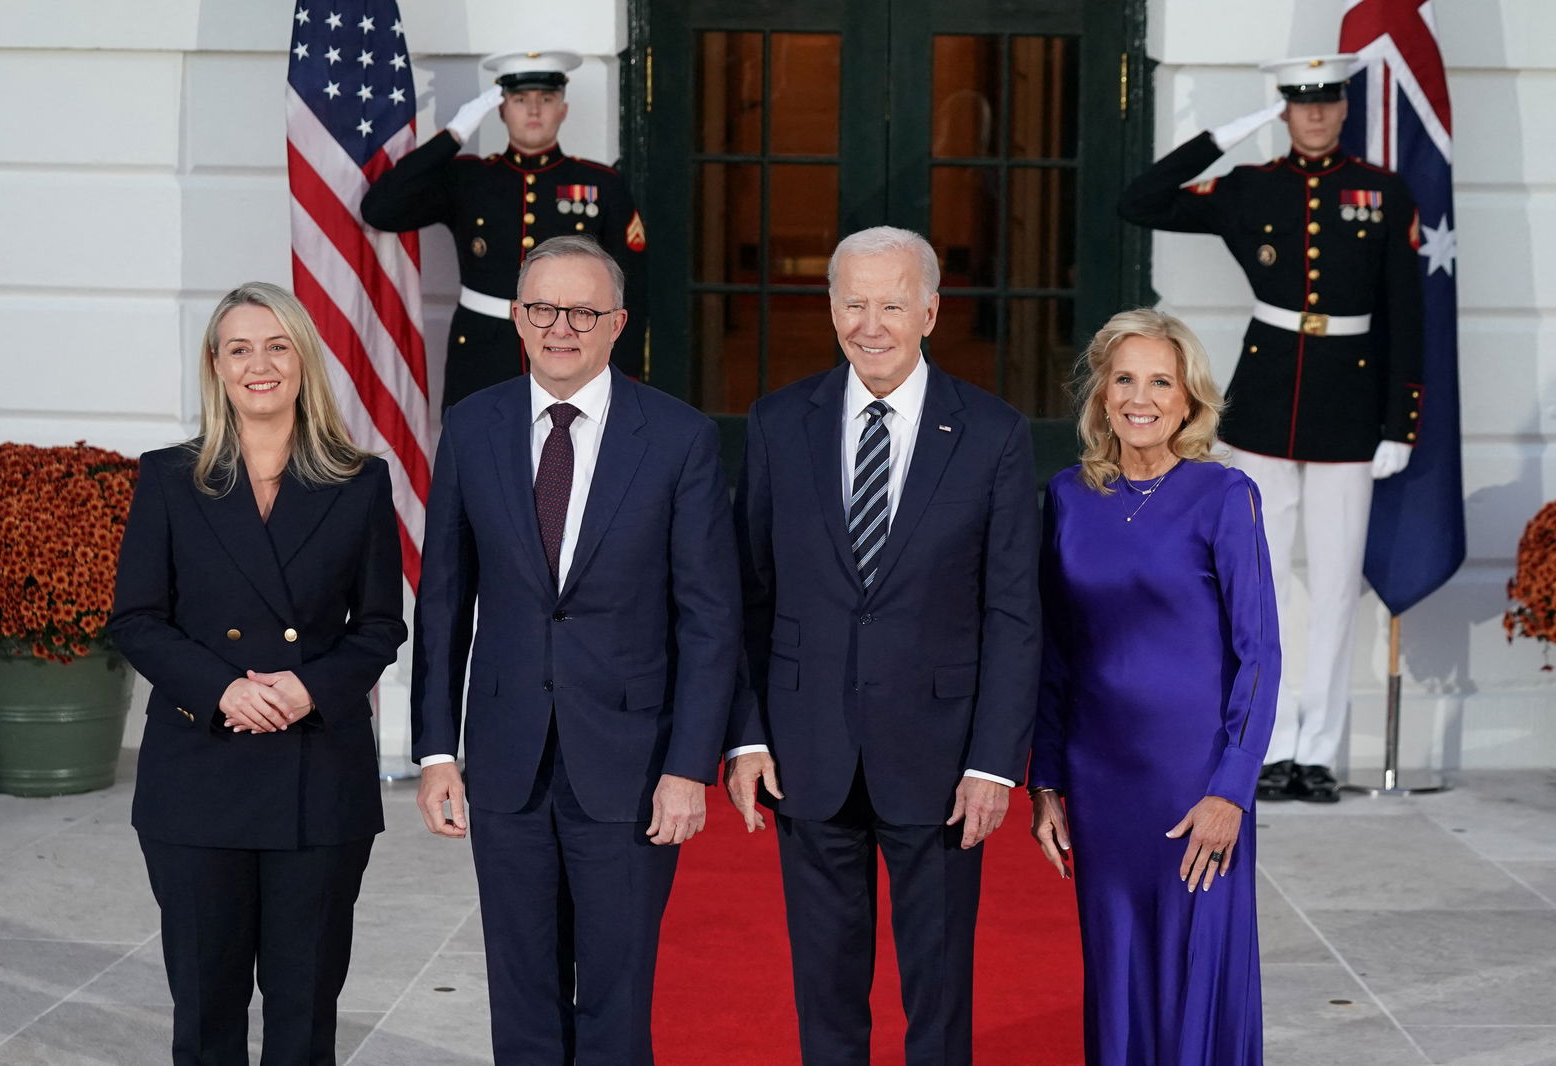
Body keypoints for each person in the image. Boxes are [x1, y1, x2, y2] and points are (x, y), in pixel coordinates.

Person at [410, 234, 739, 1065]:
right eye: (545, 309)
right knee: (520, 988)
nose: (564, 327)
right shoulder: (472, 427)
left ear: (616, 323)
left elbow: (709, 618)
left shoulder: (679, 439)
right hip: (506, 757)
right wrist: (437, 752)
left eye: (584, 311)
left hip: (631, 765)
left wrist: (688, 766)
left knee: (616, 997)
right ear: (519, 319)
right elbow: (445, 600)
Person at [724, 226, 1041, 1065]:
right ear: (831, 307)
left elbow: (1014, 611)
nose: (872, 324)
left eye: (892, 304)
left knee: (939, 994)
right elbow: (746, 596)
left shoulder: (993, 434)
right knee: (824, 992)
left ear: (930, 311)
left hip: (941, 761)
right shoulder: (777, 422)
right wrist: (748, 735)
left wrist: (994, 762)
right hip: (806, 750)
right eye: (854, 303)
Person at [108, 282, 407, 1066]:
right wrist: (223, 690)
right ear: (217, 365)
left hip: (317, 778)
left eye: (277, 346)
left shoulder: (359, 482)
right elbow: (136, 618)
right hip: (197, 776)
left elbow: (380, 625)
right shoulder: (170, 478)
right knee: (206, 1014)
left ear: (303, 361)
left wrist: (309, 687)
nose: (260, 364)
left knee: (304, 1012)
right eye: (240, 348)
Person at [1118, 55, 1423, 803]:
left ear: (1345, 110)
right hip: (1263, 405)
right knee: (1257, 583)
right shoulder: (1251, 186)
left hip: (1350, 410)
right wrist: (1228, 132)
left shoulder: (1381, 192)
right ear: (1283, 111)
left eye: (1326, 104)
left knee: (1335, 580)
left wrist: (1399, 422)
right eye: (1298, 105)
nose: (1314, 117)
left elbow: (1407, 317)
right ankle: (1269, 740)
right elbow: (1140, 198)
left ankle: (1317, 750)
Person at [1028, 308, 1280, 1066]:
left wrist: (1231, 790)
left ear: (1188, 399)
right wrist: (1045, 782)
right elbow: (1053, 652)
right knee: (1117, 970)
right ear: (1102, 395)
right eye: (1125, 380)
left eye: (1161, 381)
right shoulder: (1067, 498)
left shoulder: (1223, 495)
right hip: (1100, 784)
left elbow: (1259, 654)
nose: (1142, 398)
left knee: (1199, 966)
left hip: (1195, 780)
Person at [362, 50, 648, 408]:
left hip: (569, 345)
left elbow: (631, 286)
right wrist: (452, 135)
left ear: (563, 109)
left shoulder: (601, 184)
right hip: (483, 351)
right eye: (519, 99)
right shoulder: (469, 178)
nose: (533, 110)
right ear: (500, 110)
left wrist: (625, 375)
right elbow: (379, 209)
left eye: (546, 99)